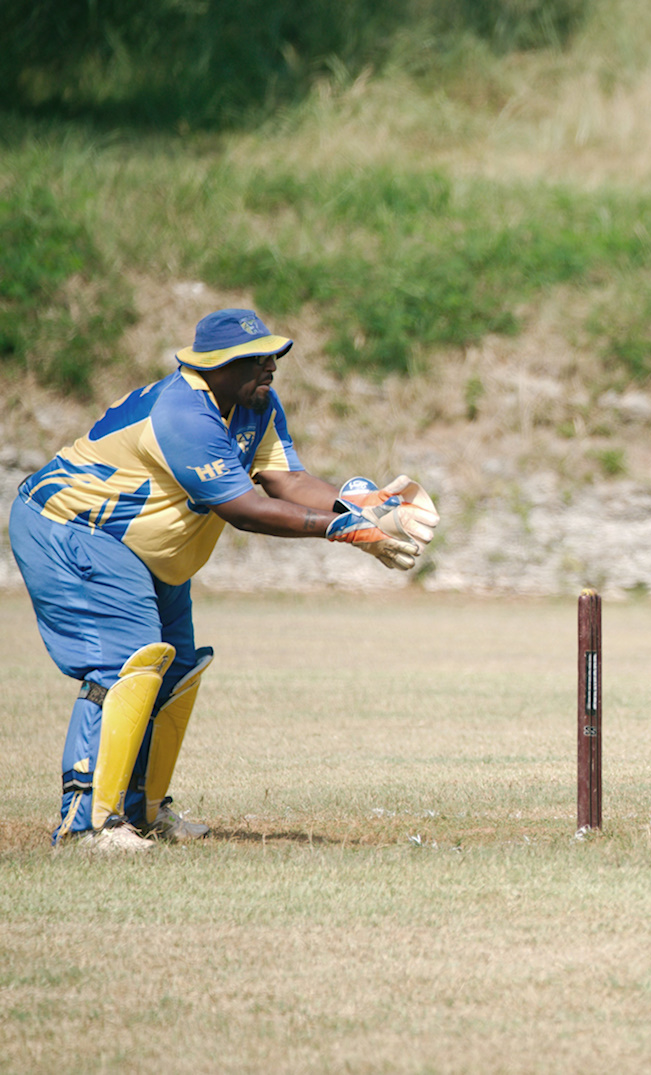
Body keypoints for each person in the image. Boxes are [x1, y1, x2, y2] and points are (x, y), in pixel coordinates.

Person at [9, 308, 439, 853]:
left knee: (178, 667)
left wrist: (362, 506)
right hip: (72, 529)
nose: (270, 367)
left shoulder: (255, 403)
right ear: (213, 367)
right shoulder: (184, 414)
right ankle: (88, 824)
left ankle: (141, 811)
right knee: (124, 662)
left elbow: (287, 479)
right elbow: (245, 509)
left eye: (273, 356)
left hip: (143, 550)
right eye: (254, 360)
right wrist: (341, 529)